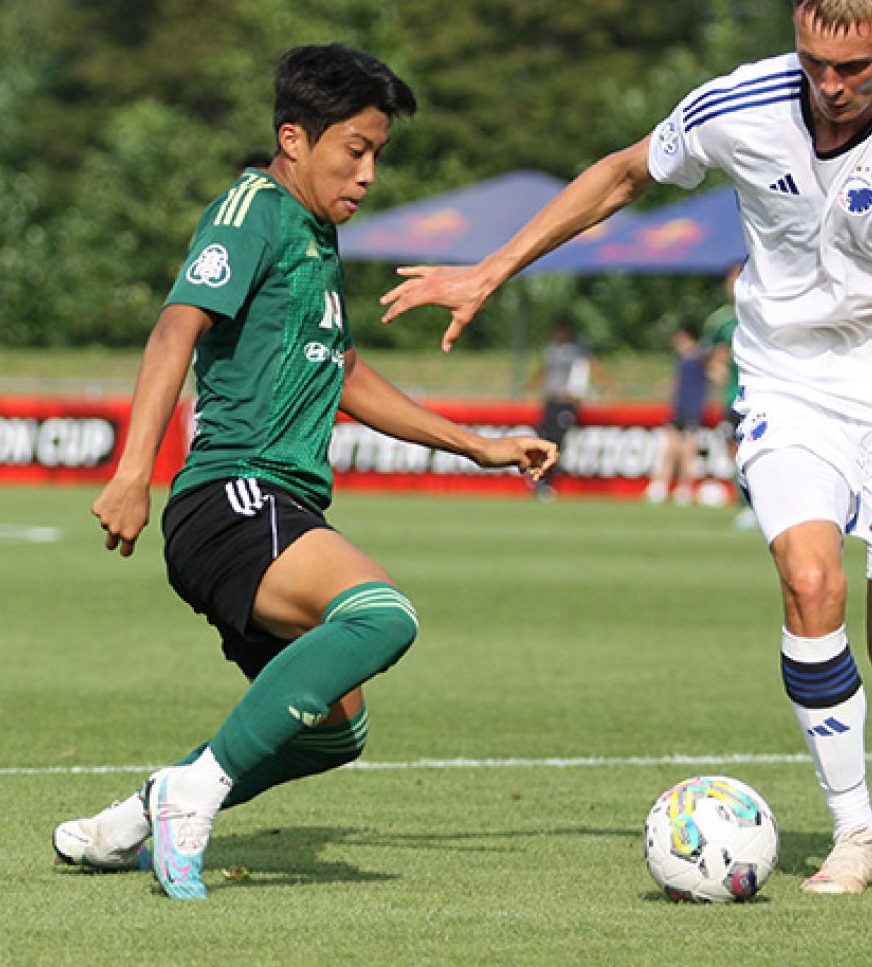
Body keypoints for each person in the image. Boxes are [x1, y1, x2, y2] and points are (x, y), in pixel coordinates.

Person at [380, 0, 872, 894]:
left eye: (854, 67)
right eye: (813, 61)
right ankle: (855, 832)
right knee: (810, 584)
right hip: (786, 381)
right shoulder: (737, 105)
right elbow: (619, 175)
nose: (829, 85)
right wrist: (492, 268)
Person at [50, 44, 556, 901]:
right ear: (295, 138)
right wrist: (134, 469)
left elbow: (345, 374)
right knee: (381, 615)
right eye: (353, 149)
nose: (366, 173)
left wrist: (479, 444)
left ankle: (142, 814)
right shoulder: (252, 208)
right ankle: (193, 795)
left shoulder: (315, 238)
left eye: (377, 156)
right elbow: (176, 328)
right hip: (233, 494)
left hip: (271, 508)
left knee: (333, 734)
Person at [701, 262, 759, 530]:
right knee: (736, 451)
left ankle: (761, 506)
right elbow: (711, 358)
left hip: (764, 395)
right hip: (733, 397)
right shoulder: (721, 321)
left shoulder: (764, 313)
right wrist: (717, 369)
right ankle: (745, 504)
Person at [529, 319, 598, 498]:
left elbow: (588, 370)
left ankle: (548, 481)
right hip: (551, 401)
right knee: (543, 439)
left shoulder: (576, 353)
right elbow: (542, 370)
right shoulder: (550, 351)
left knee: (557, 443)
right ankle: (539, 477)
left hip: (566, 403)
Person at [647, 325, 707, 505]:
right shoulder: (680, 359)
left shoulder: (699, 357)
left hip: (692, 410)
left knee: (688, 450)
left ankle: (685, 488)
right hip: (678, 409)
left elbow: (716, 370)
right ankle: (661, 486)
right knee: (670, 448)